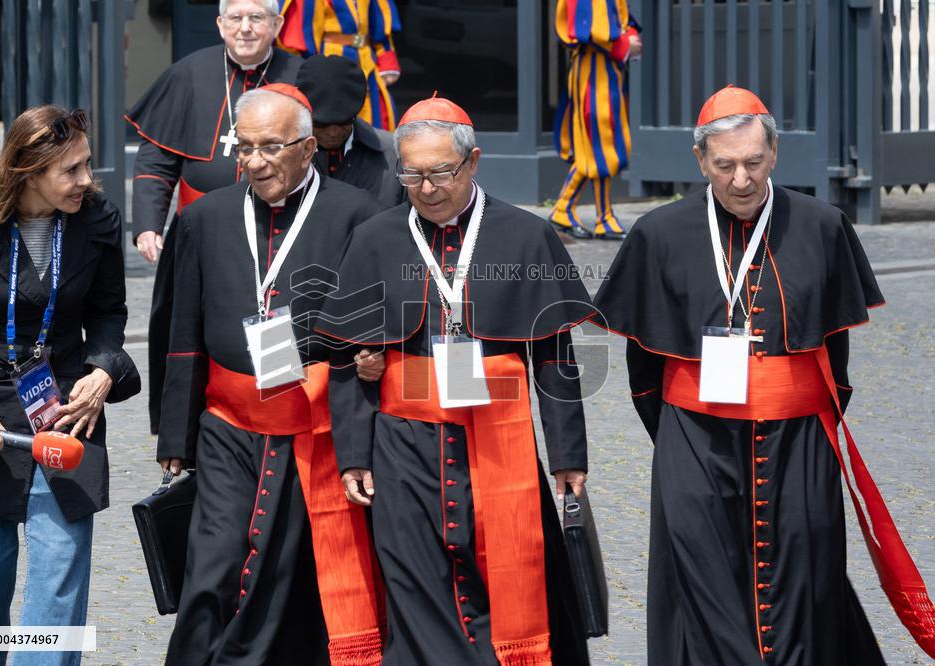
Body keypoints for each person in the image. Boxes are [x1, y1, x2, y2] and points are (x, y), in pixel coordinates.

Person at [593, 85, 933, 663]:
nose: (741, 179)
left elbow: (835, 359)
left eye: (754, 162)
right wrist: (681, 438)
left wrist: (788, 407)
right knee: (702, 586)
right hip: (694, 438)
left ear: (774, 154)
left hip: (799, 440)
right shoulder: (659, 234)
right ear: (700, 161)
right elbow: (644, 368)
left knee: (805, 577)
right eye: (725, 165)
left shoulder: (822, 226)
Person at [317, 96, 593, 665]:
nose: (427, 187)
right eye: (412, 173)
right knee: (416, 587)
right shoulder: (376, 237)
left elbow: (554, 355)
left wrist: (567, 455)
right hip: (404, 447)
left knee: (510, 580)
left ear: (472, 163)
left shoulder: (525, 235)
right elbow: (346, 355)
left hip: (499, 441)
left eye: (441, 172)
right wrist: (353, 454)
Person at [157, 84, 387, 665]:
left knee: (294, 578)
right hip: (228, 429)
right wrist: (175, 438)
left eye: (272, 147)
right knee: (212, 569)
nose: (254, 162)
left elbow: (380, 327)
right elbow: (180, 333)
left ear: (309, 149)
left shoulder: (360, 215)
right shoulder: (204, 218)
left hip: (318, 427)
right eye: (246, 147)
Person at [0, 105, 140, 666]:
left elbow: (108, 313)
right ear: (29, 173)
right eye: (71, 171)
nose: (86, 181)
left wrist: (103, 369)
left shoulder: (97, 222)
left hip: (67, 409)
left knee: (60, 570)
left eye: (88, 165)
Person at [125, 0, 300, 433]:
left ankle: (280, 416)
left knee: (278, 320)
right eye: (235, 18)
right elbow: (156, 160)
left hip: (278, 231)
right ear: (220, 24)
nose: (245, 28)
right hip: (200, 235)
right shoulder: (188, 73)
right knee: (188, 333)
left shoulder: (299, 76)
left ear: (277, 24)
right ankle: (183, 431)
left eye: (256, 18)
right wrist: (148, 224)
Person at [551, 0, 642, 240]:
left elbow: (621, 20)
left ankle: (568, 209)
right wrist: (625, 44)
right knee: (599, 144)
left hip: (603, 70)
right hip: (595, 70)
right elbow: (591, 30)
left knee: (599, 143)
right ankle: (595, 215)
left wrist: (630, 37)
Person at [296, 54, 406, 208]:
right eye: (322, 124)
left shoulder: (394, 156)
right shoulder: (284, 155)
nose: (333, 132)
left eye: (343, 122)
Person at [279, 0, 401, 131]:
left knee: (378, 119)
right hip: (331, 62)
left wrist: (386, 58)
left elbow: (379, 18)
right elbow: (305, 30)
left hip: (367, 61)